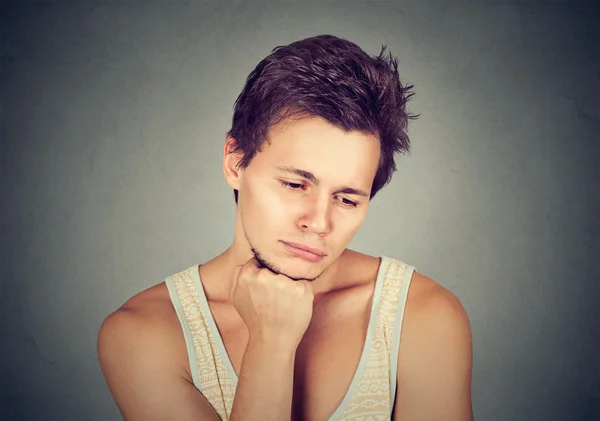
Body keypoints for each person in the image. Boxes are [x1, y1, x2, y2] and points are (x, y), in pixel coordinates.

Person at [97, 34, 473, 421]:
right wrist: (271, 342)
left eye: (347, 199)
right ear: (235, 162)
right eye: (295, 185)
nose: (320, 222)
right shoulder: (144, 334)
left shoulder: (421, 316)